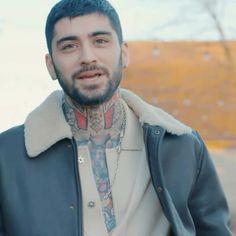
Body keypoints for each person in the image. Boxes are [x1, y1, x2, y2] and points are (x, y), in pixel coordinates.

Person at [0, 0, 232, 235]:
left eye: (100, 41)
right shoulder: (6, 156)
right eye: (69, 46)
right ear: (51, 65)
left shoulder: (182, 145)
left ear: (124, 53)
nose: (87, 57)